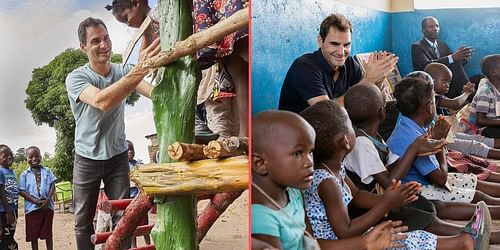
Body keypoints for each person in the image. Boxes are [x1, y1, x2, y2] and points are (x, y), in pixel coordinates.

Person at [300, 100, 493, 250]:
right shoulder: (326, 181)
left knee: (406, 236)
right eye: (349, 124)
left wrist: (389, 198)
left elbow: (357, 196)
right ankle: (463, 243)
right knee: (400, 242)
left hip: (349, 236)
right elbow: (345, 230)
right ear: (345, 141)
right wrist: (386, 203)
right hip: (344, 242)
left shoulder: (334, 166)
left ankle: (462, 241)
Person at [343, 83, 500, 243]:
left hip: (388, 197)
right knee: (426, 220)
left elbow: (394, 169)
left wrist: (421, 147)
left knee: (431, 207)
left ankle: (476, 236)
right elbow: (390, 183)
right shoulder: (361, 144)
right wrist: (414, 149)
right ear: (382, 112)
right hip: (375, 206)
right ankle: (474, 238)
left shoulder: (373, 137)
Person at [251, 110, 410, 250]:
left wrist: (364, 243)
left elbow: (309, 242)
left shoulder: (292, 192)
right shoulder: (261, 218)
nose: (309, 162)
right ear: (260, 163)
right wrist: (362, 243)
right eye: (298, 153)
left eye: (310, 152)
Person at [65, 17, 160, 249]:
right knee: (82, 221)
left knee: (124, 216)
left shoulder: (124, 71)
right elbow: (101, 100)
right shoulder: (77, 77)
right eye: (95, 41)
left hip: (117, 156)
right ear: (83, 47)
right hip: (87, 157)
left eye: (106, 38)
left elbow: (154, 93)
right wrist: (138, 71)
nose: (103, 45)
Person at [387, 77, 500, 205]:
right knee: (477, 196)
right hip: (417, 190)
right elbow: (441, 179)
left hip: (425, 181)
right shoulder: (415, 138)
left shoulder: (406, 125)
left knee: (472, 180)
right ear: (429, 107)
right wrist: (440, 141)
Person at [278, 13, 398, 113]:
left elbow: (376, 105)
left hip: (333, 130)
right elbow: (326, 112)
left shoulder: (350, 63)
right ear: (320, 41)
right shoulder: (304, 67)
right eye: (334, 44)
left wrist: (378, 81)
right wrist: (367, 82)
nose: (341, 52)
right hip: (299, 137)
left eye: (347, 45)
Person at [424, 63, 500, 161]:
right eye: (444, 81)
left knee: (475, 139)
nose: (447, 85)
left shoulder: (436, 98)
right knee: (473, 145)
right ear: (432, 81)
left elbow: (451, 112)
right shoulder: (432, 97)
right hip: (437, 138)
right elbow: (455, 103)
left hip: (445, 134)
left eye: (449, 82)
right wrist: (466, 93)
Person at [411, 16, 472, 98]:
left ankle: (468, 94)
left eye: (437, 26)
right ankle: (470, 96)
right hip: (431, 84)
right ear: (423, 30)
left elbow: (453, 62)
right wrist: (453, 58)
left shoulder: (442, 45)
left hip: (446, 83)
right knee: (454, 62)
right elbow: (425, 65)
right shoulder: (417, 46)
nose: (435, 29)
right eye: (431, 26)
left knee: (479, 78)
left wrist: (463, 57)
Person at [19, 146, 57, 250]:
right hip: (32, 209)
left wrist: (47, 200)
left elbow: (53, 185)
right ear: (26, 159)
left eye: (37, 156)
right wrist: (36, 201)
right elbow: (22, 191)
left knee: (48, 234)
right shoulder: (24, 175)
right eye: (31, 157)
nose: (34, 159)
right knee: (33, 236)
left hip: (47, 207)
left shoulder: (47, 171)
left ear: (40, 156)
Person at [126, 140, 151, 247]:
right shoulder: (122, 167)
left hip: (140, 196)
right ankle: (133, 247)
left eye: (131, 149)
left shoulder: (136, 163)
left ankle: (148, 245)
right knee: (132, 225)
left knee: (144, 222)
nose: (130, 152)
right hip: (130, 198)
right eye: (127, 150)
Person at [469, 54, 500, 138]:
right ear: (494, 72)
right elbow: (480, 120)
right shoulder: (485, 91)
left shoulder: (497, 89)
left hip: (494, 124)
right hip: (481, 130)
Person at [0, 144, 19, 250]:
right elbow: (1, 192)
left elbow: (15, 189)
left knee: (11, 234)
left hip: (14, 209)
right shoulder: (0, 171)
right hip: (4, 211)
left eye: (10, 154)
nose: (9, 157)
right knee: (5, 237)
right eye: (5, 155)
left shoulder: (12, 172)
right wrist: (8, 212)